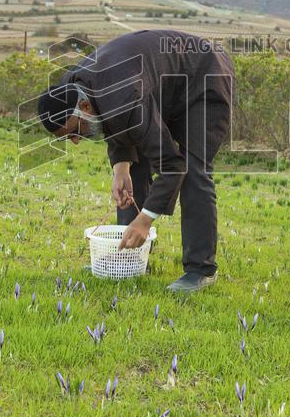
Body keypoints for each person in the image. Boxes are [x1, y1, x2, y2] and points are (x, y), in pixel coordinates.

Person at [37, 30, 234, 293]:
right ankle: (130, 258)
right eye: (67, 137)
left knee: (193, 170)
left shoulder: (124, 98)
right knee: (137, 161)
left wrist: (145, 219)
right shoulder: (71, 85)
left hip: (204, 74)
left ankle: (200, 270)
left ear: (83, 108)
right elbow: (114, 120)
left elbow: (172, 165)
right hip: (160, 86)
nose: (75, 141)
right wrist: (121, 166)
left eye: (75, 131)